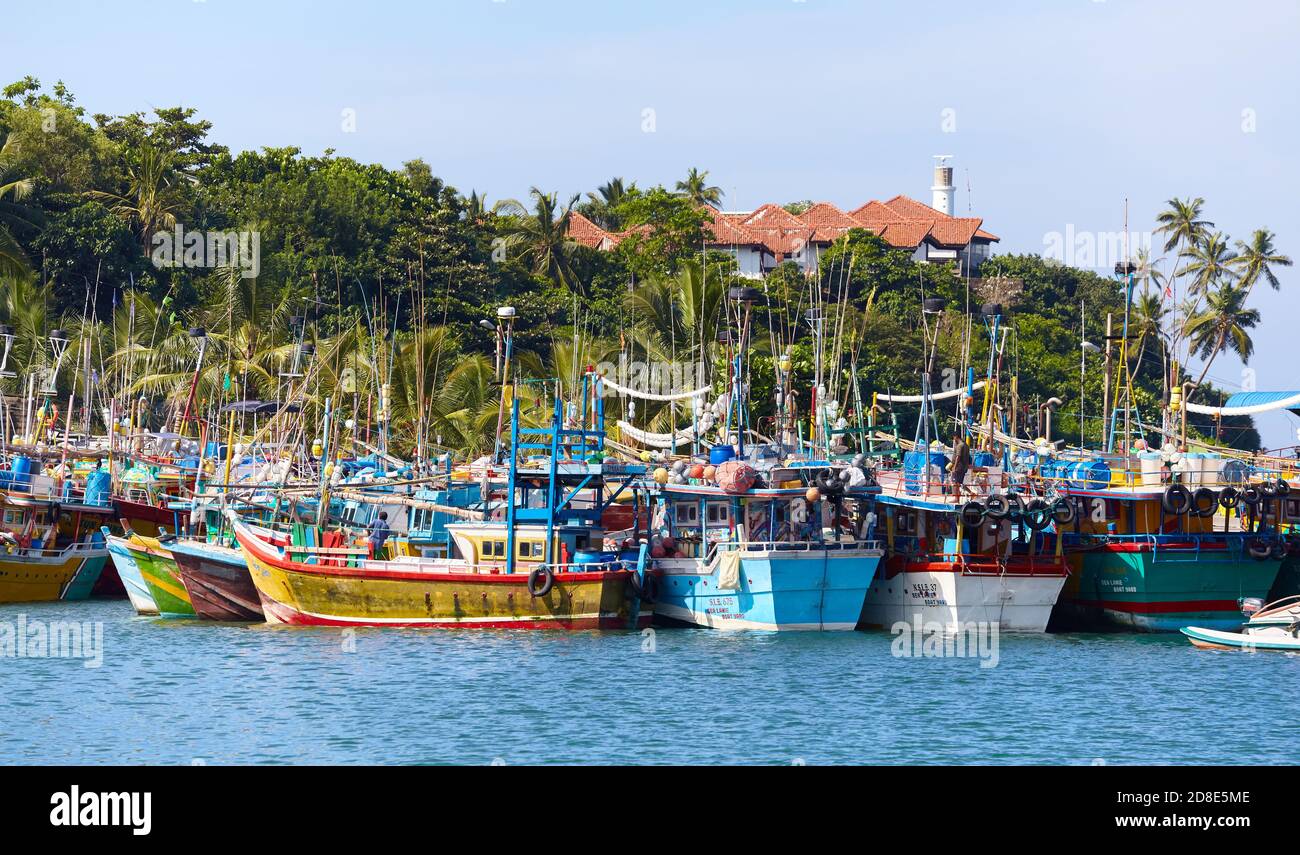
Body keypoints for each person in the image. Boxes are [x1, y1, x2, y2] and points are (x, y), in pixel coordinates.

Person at [949, 432, 972, 499]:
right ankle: (971, 493)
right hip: (964, 467)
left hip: (958, 467)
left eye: (954, 438)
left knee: (955, 483)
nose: (954, 440)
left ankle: (956, 499)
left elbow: (958, 457)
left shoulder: (960, 445)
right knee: (960, 483)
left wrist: (954, 467)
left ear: (956, 436)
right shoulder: (966, 445)